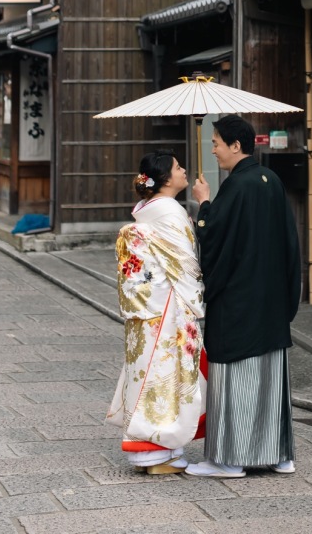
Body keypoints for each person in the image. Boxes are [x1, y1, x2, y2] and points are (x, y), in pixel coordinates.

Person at [187, 114, 301, 478]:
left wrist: (203, 204)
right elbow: (290, 243)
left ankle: (230, 459)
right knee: (271, 380)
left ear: (236, 145)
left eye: (217, 143)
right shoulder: (270, 180)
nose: (214, 149)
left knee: (235, 378)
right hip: (271, 299)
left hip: (239, 303)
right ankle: (280, 455)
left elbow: (214, 237)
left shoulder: (237, 186)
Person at [106, 151, 207, 474]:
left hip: (146, 308)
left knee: (145, 371)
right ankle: (157, 450)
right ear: (164, 178)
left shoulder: (147, 210)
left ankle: (151, 451)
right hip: (167, 306)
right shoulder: (169, 210)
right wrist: (199, 299)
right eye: (178, 167)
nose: (184, 170)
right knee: (166, 374)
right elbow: (185, 262)